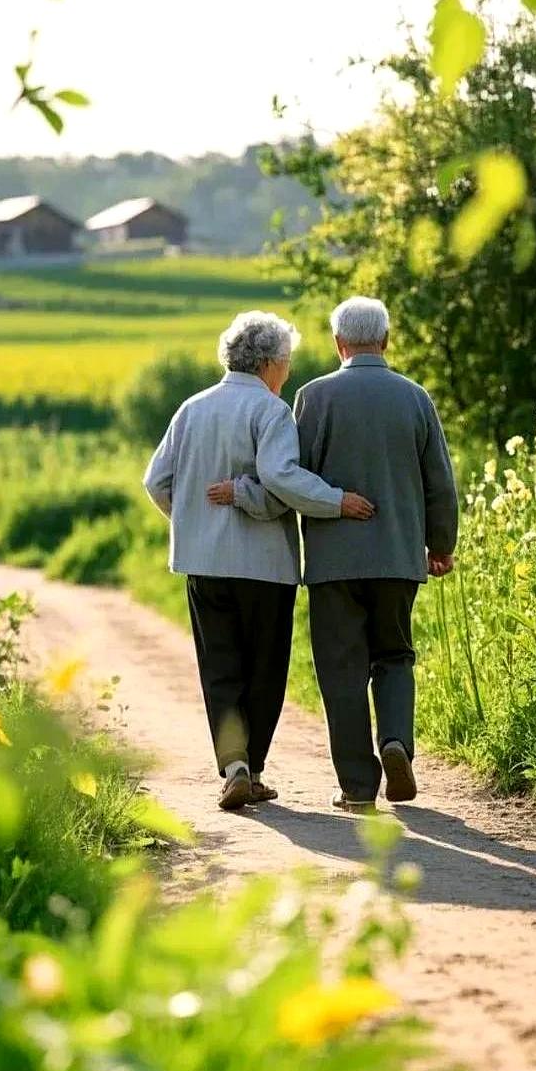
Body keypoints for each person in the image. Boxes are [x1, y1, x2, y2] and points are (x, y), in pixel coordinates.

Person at [221, 296, 458, 812]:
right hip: (398, 557)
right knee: (394, 654)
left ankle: (356, 786)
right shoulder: (415, 398)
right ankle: (395, 741)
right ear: (386, 341)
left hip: (333, 564)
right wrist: (440, 545)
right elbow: (439, 481)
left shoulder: (313, 397)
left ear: (338, 343)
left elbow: (291, 476)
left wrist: (243, 495)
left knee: (341, 670)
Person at [142, 310, 375, 812]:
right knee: (265, 669)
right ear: (269, 363)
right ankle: (255, 767)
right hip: (266, 567)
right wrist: (336, 501)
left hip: (204, 563)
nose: (288, 373)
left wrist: (190, 520)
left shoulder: (191, 408)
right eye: (286, 363)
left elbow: (156, 481)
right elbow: (281, 478)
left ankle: (236, 768)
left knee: (220, 666)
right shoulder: (271, 412)